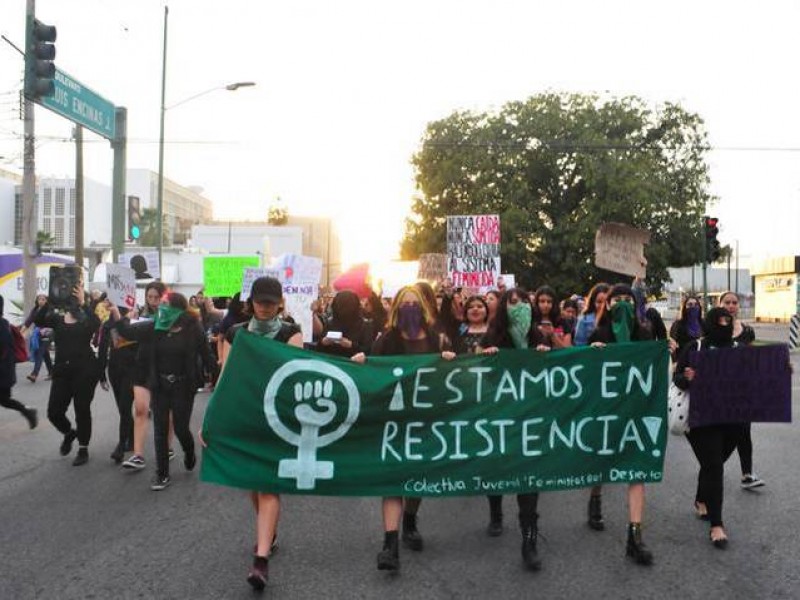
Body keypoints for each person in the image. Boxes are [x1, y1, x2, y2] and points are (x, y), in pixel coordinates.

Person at [205, 276, 302, 591]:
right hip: (245, 414)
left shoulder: (291, 332)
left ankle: (261, 562)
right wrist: (212, 420)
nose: (265, 307)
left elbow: (296, 377)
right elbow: (226, 377)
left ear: (280, 304)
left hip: (277, 418)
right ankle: (269, 533)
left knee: (267, 485)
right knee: (252, 483)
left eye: (271, 302)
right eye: (260, 301)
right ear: (251, 303)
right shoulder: (235, 333)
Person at [351, 285, 454, 572]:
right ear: (396, 309)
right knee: (394, 478)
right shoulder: (387, 339)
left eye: (415, 303)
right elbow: (375, 370)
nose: (410, 308)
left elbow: (450, 376)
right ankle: (390, 543)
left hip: (425, 416)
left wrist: (447, 359)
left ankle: (410, 518)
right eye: (404, 304)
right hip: (395, 418)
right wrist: (363, 361)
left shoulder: (436, 338)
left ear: (423, 307)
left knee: (418, 475)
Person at [477, 287, 550, 569]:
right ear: (504, 307)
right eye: (513, 303)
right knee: (498, 468)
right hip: (499, 418)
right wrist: (488, 356)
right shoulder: (492, 337)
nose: (519, 308)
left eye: (523, 304)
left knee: (529, 479)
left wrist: (545, 355)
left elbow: (556, 373)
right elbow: (477, 375)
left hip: (530, 420)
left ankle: (529, 540)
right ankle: (496, 512)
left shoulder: (538, 337)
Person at [113, 292, 213, 492]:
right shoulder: (154, 327)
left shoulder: (193, 328)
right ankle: (162, 474)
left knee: (181, 427)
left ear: (178, 308)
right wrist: (119, 313)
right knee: (160, 429)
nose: (161, 307)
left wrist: (218, 376)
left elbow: (206, 353)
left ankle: (189, 450)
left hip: (184, 386)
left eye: (166, 304)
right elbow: (128, 332)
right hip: (159, 385)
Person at [587, 283, 654, 565]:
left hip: (635, 408)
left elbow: (654, 364)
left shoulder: (644, 332)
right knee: (603, 461)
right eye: (618, 299)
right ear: (609, 304)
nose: (624, 303)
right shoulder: (599, 333)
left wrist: (666, 350)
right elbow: (584, 373)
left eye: (629, 298)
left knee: (636, 468)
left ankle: (635, 536)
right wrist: (592, 352)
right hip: (606, 410)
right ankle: (595, 498)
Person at [673, 306, 747, 549]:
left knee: (713, 463)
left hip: (732, 419)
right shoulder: (695, 348)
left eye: (728, 319)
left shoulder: (738, 349)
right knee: (714, 466)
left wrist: (780, 370)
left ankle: (701, 498)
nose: (724, 324)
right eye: (719, 320)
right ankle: (717, 524)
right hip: (702, 419)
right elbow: (678, 379)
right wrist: (687, 378)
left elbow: (755, 377)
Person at [33, 281, 103, 466]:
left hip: (85, 370)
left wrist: (84, 303)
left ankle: (83, 448)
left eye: (76, 296)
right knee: (54, 412)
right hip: (62, 371)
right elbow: (38, 320)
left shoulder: (85, 317)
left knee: (82, 409)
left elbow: (96, 324)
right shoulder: (58, 318)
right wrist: (49, 301)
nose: (72, 300)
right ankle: (69, 433)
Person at [719, 291, 764, 490]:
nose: (731, 306)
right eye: (727, 302)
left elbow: (754, 358)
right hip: (719, 392)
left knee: (743, 431)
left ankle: (747, 474)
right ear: (719, 304)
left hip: (743, 391)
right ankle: (712, 466)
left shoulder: (747, 331)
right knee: (728, 433)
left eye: (734, 302)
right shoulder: (712, 329)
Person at [122, 281, 168, 470]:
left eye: (157, 297)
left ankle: (166, 448)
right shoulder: (140, 315)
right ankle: (138, 455)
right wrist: (127, 319)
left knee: (165, 414)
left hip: (163, 367)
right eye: (149, 297)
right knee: (140, 409)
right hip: (141, 365)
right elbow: (125, 337)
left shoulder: (171, 316)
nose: (153, 301)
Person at [97, 306, 138, 463]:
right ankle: (132, 438)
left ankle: (121, 445)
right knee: (122, 409)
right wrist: (101, 375)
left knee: (125, 406)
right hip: (114, 370)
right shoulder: (107, 325)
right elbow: (102, 349)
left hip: (131, 370)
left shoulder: (134, 322)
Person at [0, 295, 38, 429]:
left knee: (4, 400)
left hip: (3, 373)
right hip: (5, 372)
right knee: (4, 400)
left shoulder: (3, 326)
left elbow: (5, 351)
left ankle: (27, 411)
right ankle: (27, 411)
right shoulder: (4, 324)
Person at [316, 290, 373, 358]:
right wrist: (323, 342)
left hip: (353, 365)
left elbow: (368, 351)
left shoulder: (365, 326)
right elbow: (318, 349)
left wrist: (351, 345)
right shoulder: (330, 323)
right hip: (332, 363)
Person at [22, 294, 53, 382]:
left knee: (40, 352)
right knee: (45, 353)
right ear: (37, 300)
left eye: (43, 299)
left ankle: (34, 374)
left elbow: (53, 321)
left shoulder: (49, 310)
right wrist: (21, 332)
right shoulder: (35, 309)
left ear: (46, 301)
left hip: (48, 333)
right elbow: (29, 321)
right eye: (39, 299)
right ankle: (51, 372)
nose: (41, 301)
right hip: (38, 333)